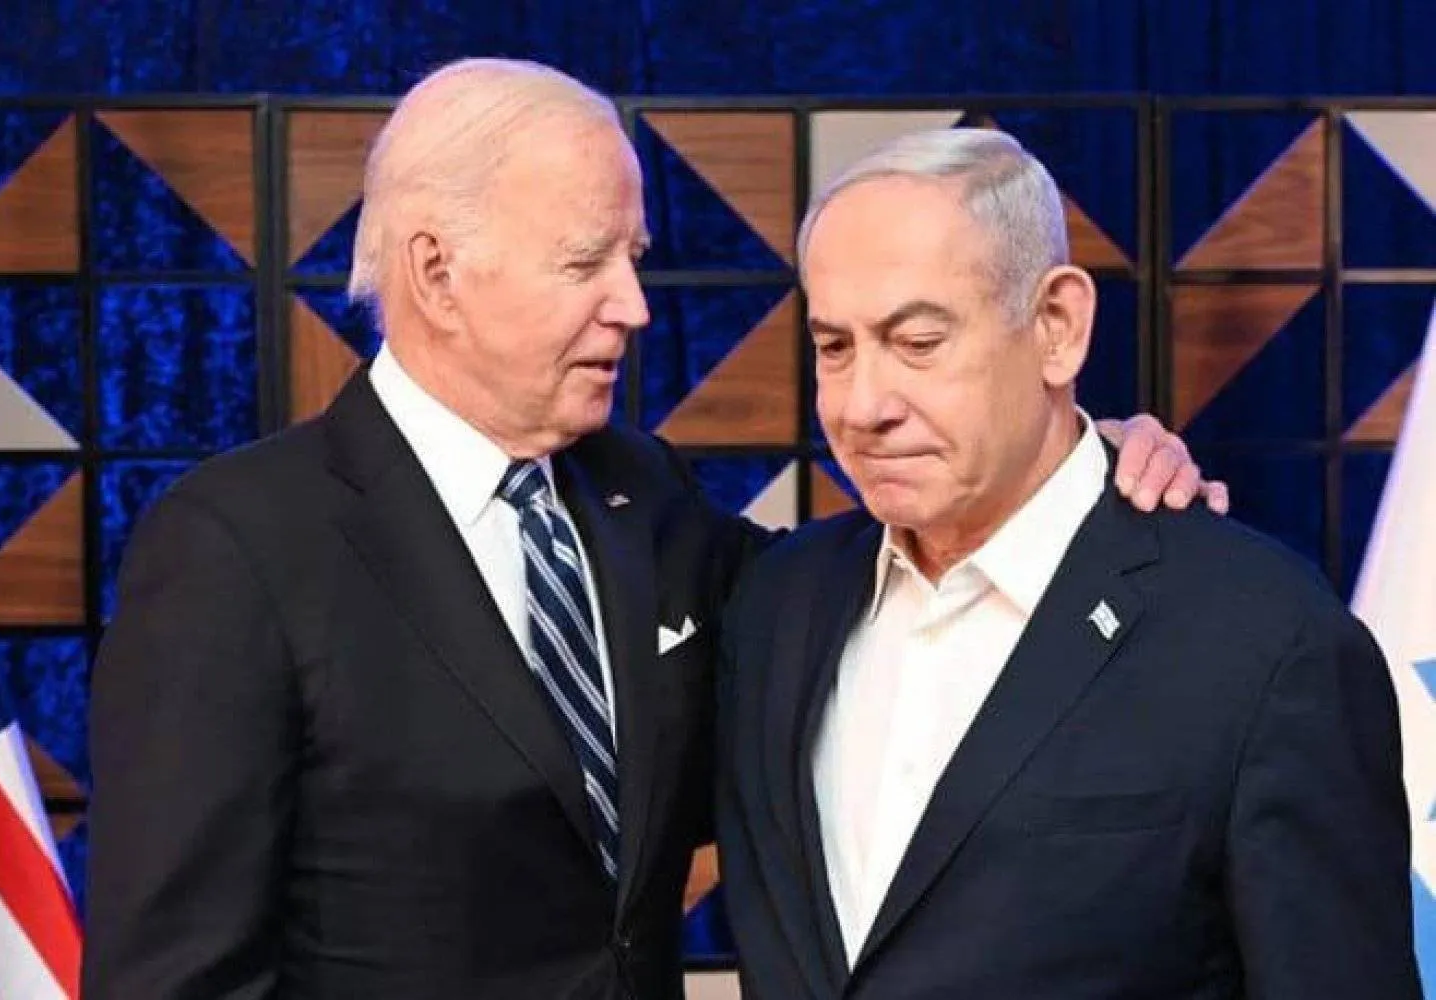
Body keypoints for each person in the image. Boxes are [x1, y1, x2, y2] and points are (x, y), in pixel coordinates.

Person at [82, 61, 1217, 1000]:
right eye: (587, 262)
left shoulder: (641, 493)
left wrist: (1062, 448)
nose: (634, 305)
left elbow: (867, 601)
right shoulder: (236, 547)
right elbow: (174, 979)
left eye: (631, 258)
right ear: (436, 273)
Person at [715, 126, 1422, 1000]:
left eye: (919, 342)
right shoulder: (775, 604)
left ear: (1057, 326)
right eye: (834, 347)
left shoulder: (1266, 645)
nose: (864, 405)